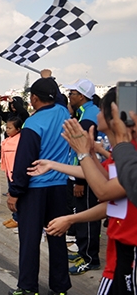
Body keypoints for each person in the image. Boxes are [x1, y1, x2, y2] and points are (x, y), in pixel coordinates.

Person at [31, 88, 134, 295]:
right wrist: (56, 164)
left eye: (102, 109)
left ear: (117, 115)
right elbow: (107, 187)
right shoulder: (123, 153)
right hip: (120, 253)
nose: (95, 113)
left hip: (129, 256)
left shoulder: (130, 152)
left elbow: (105, 192)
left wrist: (84, 153)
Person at [7, 77, 71, 295]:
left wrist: (15, 191)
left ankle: (28, 288)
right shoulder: (65, 114)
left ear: (33, 98)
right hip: (60, 185)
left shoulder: (33, 124)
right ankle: (60, 288)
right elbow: (60, 100)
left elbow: (25, 161)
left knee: (30, 239)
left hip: (35, 188)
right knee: (57, 235)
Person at [63, 78, 102, 275]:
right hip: (84, 173)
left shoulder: (88, 117)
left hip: (88, 176)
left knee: (87, 216)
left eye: (72, 93)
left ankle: (90, 258)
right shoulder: (84, 113)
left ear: (82, 96)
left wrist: (80, 180)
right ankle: (82, 250)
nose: (70, 96)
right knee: (81, 215)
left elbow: (83, 151)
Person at [0, 117, 22, 228]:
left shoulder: (19, 140)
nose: (7, 130)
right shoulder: (8, 140)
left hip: (16, 171)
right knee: (11, 193)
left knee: (16, 196)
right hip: (9, 171)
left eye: (10, 128)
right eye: (6, 128)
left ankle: (19, 219)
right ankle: (14, 216)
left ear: (18, 129)